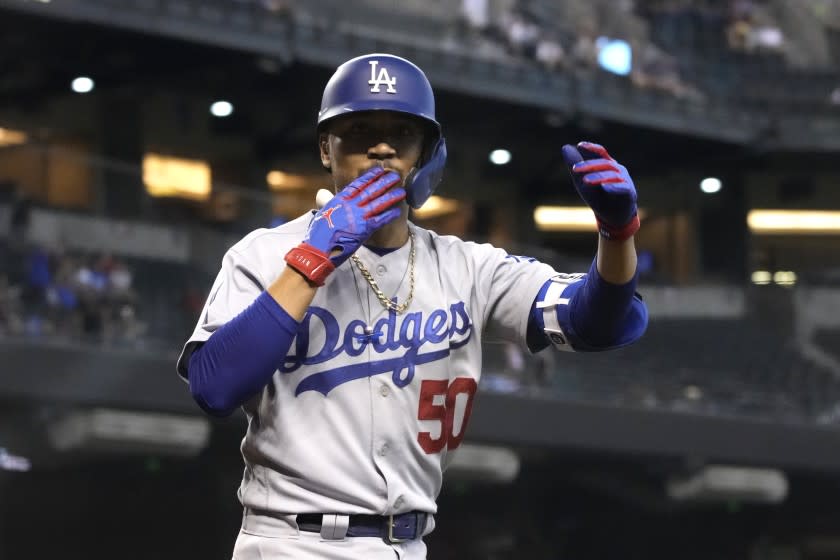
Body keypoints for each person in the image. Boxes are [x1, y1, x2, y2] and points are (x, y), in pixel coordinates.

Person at [177, 53, 648, 559]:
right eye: (359, 131)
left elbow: (600, 322)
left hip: (409, 545)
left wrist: (617, 234)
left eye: (401, 133)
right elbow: (214, 385)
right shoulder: (266, 255)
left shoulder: (467, 268)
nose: (382, 147)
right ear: (325, 149)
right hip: (291, 542)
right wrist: (311, 260)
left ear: (425, 153)